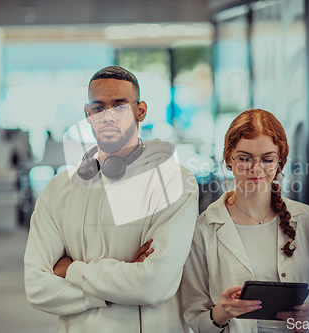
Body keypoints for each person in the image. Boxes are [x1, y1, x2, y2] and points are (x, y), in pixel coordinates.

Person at [24, 66, 199, 333]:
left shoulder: (174, 182)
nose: (107, 117)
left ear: (140, 111)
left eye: (119, 107)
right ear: (87, 114)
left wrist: (71, 271)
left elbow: (152, 285)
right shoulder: (59, 188)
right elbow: (37, 287)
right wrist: (115, 288)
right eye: (98, 108)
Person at [180, 109, 309, 333]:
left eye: (267, 159)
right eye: (245, 158)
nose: (256, 169)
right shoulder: (203, 228)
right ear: (228, 158)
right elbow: (194, 319)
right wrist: (221, 312)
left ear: (280, 161)